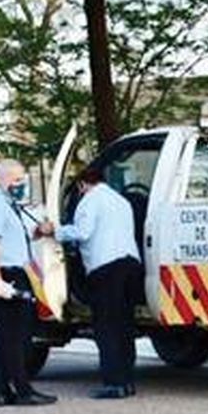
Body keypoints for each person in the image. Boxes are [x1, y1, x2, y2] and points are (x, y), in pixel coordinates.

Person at [43, 167, 141, 399]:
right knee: (125, 326)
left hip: (106, 268)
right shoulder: (121, 201)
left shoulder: (89, 201)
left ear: (82, 185)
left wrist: (54, 230)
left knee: (106, 327)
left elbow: (83, 232)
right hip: (130, 265)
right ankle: (127, 381)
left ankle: (113, 383)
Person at [0, 159, 56, 406]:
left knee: (7, 336)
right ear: (7, 179)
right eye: (19, 179)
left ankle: (5, 391)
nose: (23, 184)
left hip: (13, 271)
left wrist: (39, 232)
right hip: (5, 274)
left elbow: (15, 237)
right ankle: (22, 390)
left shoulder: (7, 204)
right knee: (15, 336)